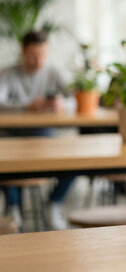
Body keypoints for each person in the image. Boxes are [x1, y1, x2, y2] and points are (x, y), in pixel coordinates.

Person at [0, 30, 73, 229]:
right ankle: (13, 207)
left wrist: (62, 104)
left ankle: (54, 203)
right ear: (23, 52)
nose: (38, 61)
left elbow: (76, 98)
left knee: (76, 161)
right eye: (33, 55)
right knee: (5, 160)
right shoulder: (8, 73)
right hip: (13, 137)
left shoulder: (54, 72)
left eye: (42, 55)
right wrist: (28, 105)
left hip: (46, 136)